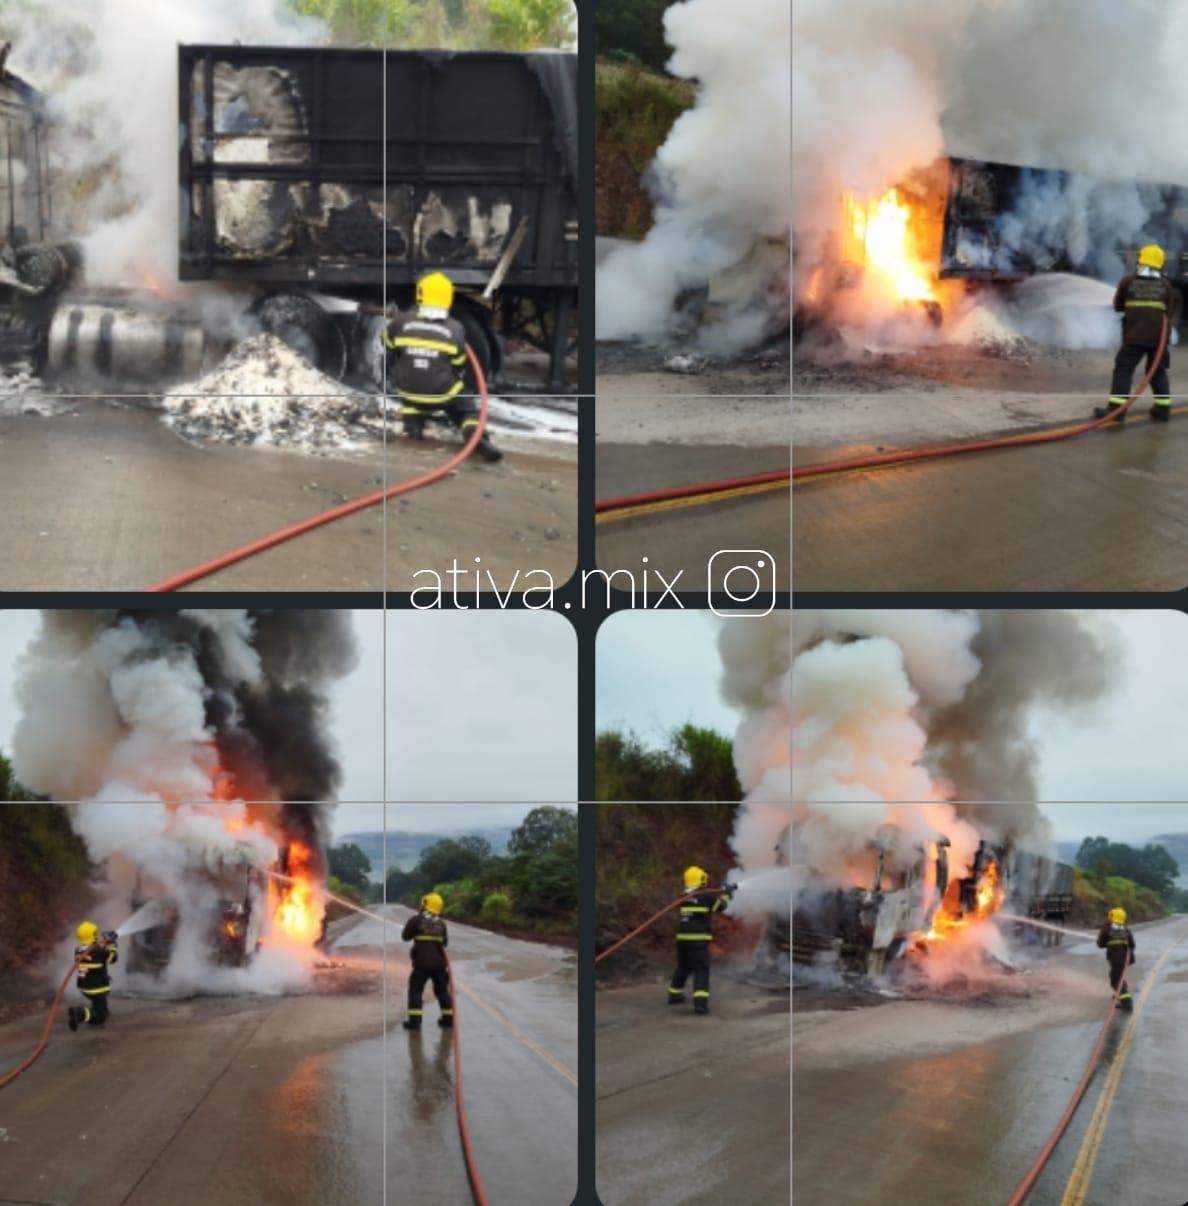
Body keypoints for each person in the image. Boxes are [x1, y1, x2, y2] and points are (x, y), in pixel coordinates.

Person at [382, 271, 502, 462]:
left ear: (420, 294)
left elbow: (387, 345)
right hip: (440, 395)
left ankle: (413, 424)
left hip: (407, 392)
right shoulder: (455, 328)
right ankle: (473, 432)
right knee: (464, 402)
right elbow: (458, 363)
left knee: (412, 387)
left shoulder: (401, 321)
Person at [1094, 244, 1181, 423]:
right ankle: (1163, 410)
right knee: (1157, 370)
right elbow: (1169, 313)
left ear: (1140, 260)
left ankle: (1116, 411)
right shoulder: (1166, 285)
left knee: (1123, 369)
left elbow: (1118, 306)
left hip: (1134, 336)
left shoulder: (1128, 282)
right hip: (1159, 338)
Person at [668, 866, 733, 1016]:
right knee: (701, 970)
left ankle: (674, 994)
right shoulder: (705, 897)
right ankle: (700, 1005)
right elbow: (721, 906)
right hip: (697, 940)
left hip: (682, 939)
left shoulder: (684, 896)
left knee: (683, 967)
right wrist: (728, 894)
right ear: (702, 880)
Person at [402, 892, 454, 1030]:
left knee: (415, 990)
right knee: (442, 991)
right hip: (439, 965)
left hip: (421, 965)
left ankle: (415, 1022)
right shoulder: (441, 924)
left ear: (425, 903)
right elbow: (445, 943)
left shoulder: (416, 920)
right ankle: (448, 1019)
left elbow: (405, 936)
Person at [67, 921, 118, 1031]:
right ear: (91, 936)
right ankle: (79, 1013)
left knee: (99, 1004)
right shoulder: (98, 951)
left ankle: (99, 1010)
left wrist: (104, 944)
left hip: (84, 986)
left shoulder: (79, 949)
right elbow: (112, 958)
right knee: (101, 1016)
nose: (97, 936)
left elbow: (95, 954)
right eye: (95, 934)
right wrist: (112, 944)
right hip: (96, 988)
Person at [1095, 906, 1135, 1011]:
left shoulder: (1107, 928)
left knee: (1115, 980)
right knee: (1120, 976)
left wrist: (1103, 939)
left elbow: (1100, 944)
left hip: (1116, 958)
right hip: (1126, 958)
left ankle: (1127, 1003)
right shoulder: (1126, 929)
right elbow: (1132, 945)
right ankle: (1119, 993)